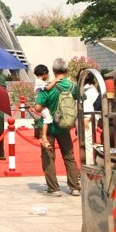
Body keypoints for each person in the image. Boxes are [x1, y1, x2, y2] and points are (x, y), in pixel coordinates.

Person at [34, 58, 81, 197]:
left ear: (53, 71)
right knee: (69, 156)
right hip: (65, 126)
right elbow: (82, 98)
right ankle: (75, 187)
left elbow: (37, 108)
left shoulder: (48, 87)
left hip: (48, 129)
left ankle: (53, 189)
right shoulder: (73, 86)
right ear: (66, 70)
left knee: (48, 157)